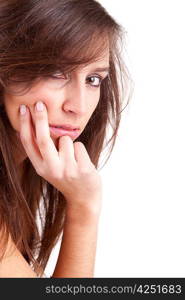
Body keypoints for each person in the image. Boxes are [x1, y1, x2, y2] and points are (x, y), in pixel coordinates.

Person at [0, 0, 132, 277]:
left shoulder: (21, 172)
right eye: (55, 72)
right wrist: (84, 208)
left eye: (93, 79)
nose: (79, 106)